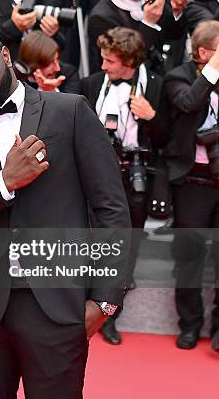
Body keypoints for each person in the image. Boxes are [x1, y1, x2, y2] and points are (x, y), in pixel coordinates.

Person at [0, 28, 130, 398]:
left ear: (5, 56)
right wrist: (2, 183)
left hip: (56, 306)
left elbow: (111, 208)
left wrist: (105, 300)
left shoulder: (69, 111)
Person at [162, 20, 219, 367]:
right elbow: (187, 103)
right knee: (189, 257)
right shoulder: (178, 77)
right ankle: (189, 325)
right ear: (203, 53)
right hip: (193, 181)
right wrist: (216, 65)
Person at [80, 27, 167, 345]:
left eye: (110, 61)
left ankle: (109, 316)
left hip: (134, 178)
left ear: (129, 61)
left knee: (126, 250)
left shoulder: (156, 86)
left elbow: (167, 140)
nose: (104, 66)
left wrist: (151, 116)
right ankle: (82, 305)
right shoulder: (91, 84)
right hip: (95, 176)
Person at [88, 0, 187, 74]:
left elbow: (175, 35)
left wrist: (177, 11)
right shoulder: (101, 18)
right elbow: (126, 62)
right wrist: (148, 24)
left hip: (156, 76)